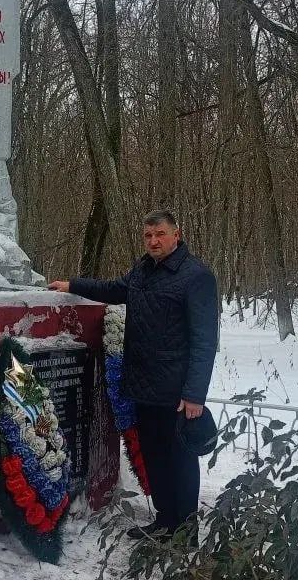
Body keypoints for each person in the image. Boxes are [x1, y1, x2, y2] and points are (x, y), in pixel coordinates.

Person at [48, 210, 219, 540]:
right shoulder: (143, 270)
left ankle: (185, 532)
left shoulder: (196, 276)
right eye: (148, 235)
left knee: (180, 462)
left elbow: (204, 339)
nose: (153, 241)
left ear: (176, 235)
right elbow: (114, 289)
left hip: (176, 391)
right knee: (154, 457)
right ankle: (164, 521)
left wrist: (195, 394)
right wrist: (73, 285)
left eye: (160, 234)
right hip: (142, 384)